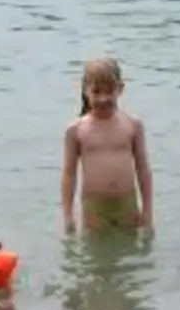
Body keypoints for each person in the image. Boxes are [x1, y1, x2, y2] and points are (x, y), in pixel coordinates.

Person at [60, 56, 154, 235]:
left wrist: (147, 210)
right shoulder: (76, 130)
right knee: (96, 257)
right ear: (85, 91)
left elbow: (143, 169)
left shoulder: (133, 126)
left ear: (120, 89)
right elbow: (69, 174)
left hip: (127, 203)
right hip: (94, 207)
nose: (103, 98)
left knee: (129, 253)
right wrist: (68, 214)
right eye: (96, 92)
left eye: (109, 91)